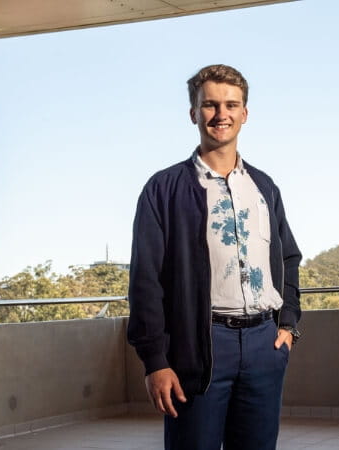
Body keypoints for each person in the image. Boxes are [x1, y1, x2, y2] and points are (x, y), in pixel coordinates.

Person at [127, 64, 302, 450]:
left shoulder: (264, 187)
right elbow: (145, 281)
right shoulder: (163, 189)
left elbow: (289, 257)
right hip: (200, 344)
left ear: (244, 114)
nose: (221, 115)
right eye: (210, 105)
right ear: (194, 113)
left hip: (264, 344)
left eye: (231, 105)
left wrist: (287, 325)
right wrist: (155, 360)